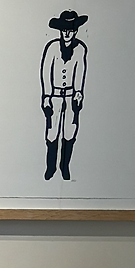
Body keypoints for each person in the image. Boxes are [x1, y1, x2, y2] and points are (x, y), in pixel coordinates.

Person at [40, 10, 88, 181]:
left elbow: (80, 70)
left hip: (70, 96)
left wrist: (79, 92)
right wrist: (46, 96)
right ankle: (50, 167)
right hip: (54, 96)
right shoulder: (52, 47)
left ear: (75, 31)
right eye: (64, 30)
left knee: (70, 132)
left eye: (71, 30)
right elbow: (46, 71)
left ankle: (64, 166)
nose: (67, 33)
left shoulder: (80, 49)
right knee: (52, 132)